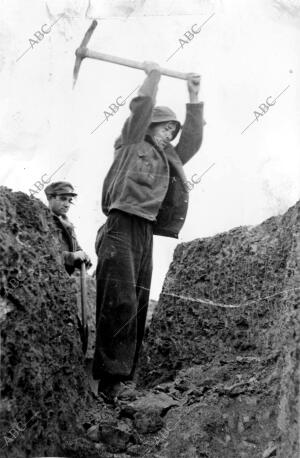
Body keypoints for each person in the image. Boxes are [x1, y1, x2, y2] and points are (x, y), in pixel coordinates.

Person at [93, 61, 204, 401]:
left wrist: (194, 97)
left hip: (146, 230)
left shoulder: (169, 156)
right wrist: (152, 79)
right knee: (119, 300)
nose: (170, 134)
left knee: (138, 302)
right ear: (151, 125)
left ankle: (125, 378)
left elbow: (193, 143)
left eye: (173, 129)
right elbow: (140, 109)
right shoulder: (130, 141)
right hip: (120, 223)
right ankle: (110, 381)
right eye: (166, 127)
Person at [44, 181, 91, 274]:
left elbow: (77, 250)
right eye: (63, 199)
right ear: (50, 198)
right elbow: (44, 255)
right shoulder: (43, 220)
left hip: (63, 280)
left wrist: (85, 258)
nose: (67, 204)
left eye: (70, 200)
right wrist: (71, 257)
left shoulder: (68, 226)